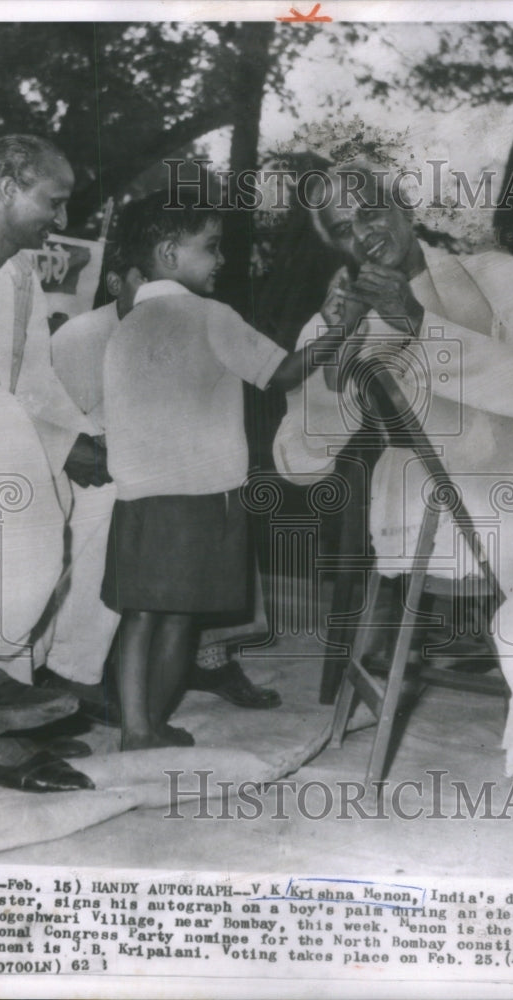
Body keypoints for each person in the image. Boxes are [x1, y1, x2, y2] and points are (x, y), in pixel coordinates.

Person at [272, 160, 513, 855]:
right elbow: (298, 461)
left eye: (369, 211)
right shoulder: (337, 315)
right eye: (340, 229)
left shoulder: (493, 273)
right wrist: (334, 343)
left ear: (400, 202)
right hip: (436, 495)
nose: (361, 234)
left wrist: (417, 324)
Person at [101, 191, 344, 750]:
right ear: (168, 252)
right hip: (202, 498)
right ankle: (150, 724)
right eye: (211, 247)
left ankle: (138, 727)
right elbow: (282, 373)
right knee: (180, 619)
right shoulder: (212, 316)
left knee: (140, 614)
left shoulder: (129, 325)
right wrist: (337, 331)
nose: (222, 259)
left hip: (137, 496)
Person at [45, 236, 281, 713]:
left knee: (217, 499)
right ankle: (78, 670)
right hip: (99, 473)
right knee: (119, 512)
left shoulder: (194, 318)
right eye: (147, 280)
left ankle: (206, 656)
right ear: (119, 281)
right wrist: (79, 447)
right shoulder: (84, 334)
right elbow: (54, 419)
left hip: (179, 473)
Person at [0, 134, 111, 791]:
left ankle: (47, 679)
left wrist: (80, 439)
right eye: (56, 201)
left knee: (109, 492)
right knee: (22, 505)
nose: (63, 221)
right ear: (8, 184)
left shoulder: (18, 271)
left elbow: (39, 386)